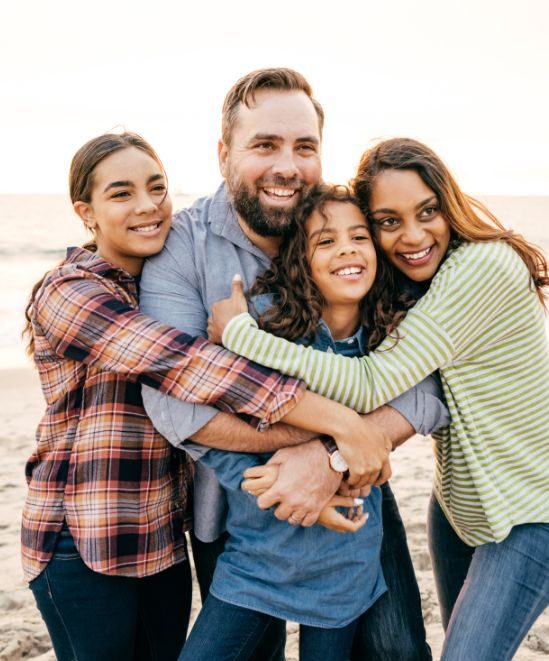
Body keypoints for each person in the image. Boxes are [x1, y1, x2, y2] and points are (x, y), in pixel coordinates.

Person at [210, 137, 549, 661]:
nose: (413, 235)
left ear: (449, 204)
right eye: (389, 222)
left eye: (428, 212)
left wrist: (241, 334)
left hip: (536, 508)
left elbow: (372, 383)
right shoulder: (419, 281)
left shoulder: (481, 268)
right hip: (461, 507)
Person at [21, 131, 391, 661]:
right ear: (87, 212)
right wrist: (343, 423)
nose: (148, 206)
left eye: (157, 187)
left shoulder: (157, 277)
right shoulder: (70, 292)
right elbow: (188, 365)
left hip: (163, 537)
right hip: (84, 539)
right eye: (121, 194)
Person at [141, 69, 443, 660]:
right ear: (224, 152)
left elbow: (425, 380)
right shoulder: (185, 245)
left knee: (398, 652)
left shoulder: (348, 224)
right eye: (265, 145)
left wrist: (331, 457)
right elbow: (173, 400)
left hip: (354, 500)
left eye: (304, 147)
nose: (288, 165)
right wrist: (338, 426)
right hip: (237, 514)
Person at [182, 184, 448, 660]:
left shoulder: (392, 339)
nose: (345, 248)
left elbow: (424, 402)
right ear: (299, 260)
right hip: (258, 557)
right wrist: (269, 486)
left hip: (345, 559)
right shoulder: (264, 325)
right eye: (325, 241)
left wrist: (336, 468)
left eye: (359, 236)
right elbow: (213, 432)